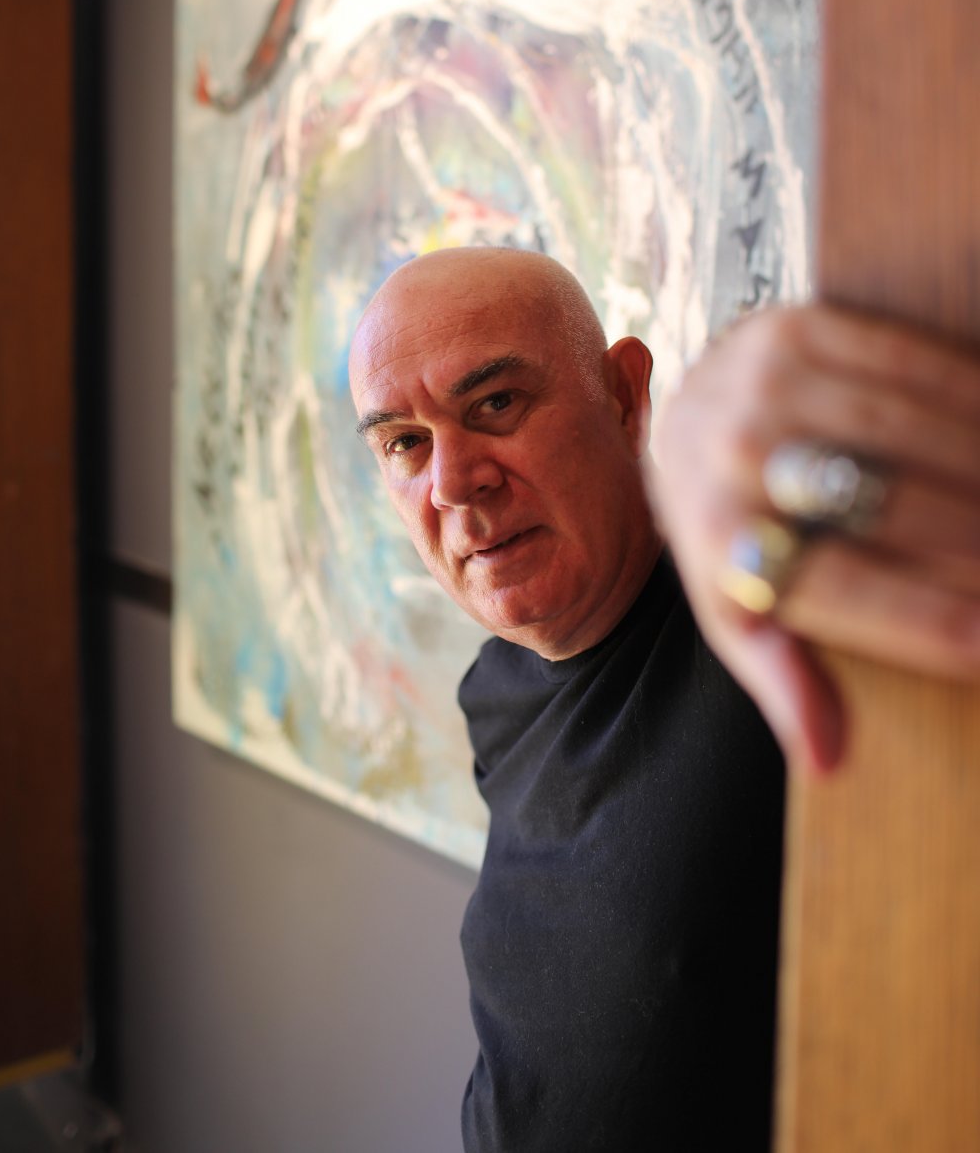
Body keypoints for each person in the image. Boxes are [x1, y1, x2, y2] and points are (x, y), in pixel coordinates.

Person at [348, 246, 980, 1152]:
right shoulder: (497, 688)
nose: (453, 482)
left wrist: (742, 424)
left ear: (625, 396)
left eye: (496, 404)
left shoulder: (766, 632)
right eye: (405, 443)